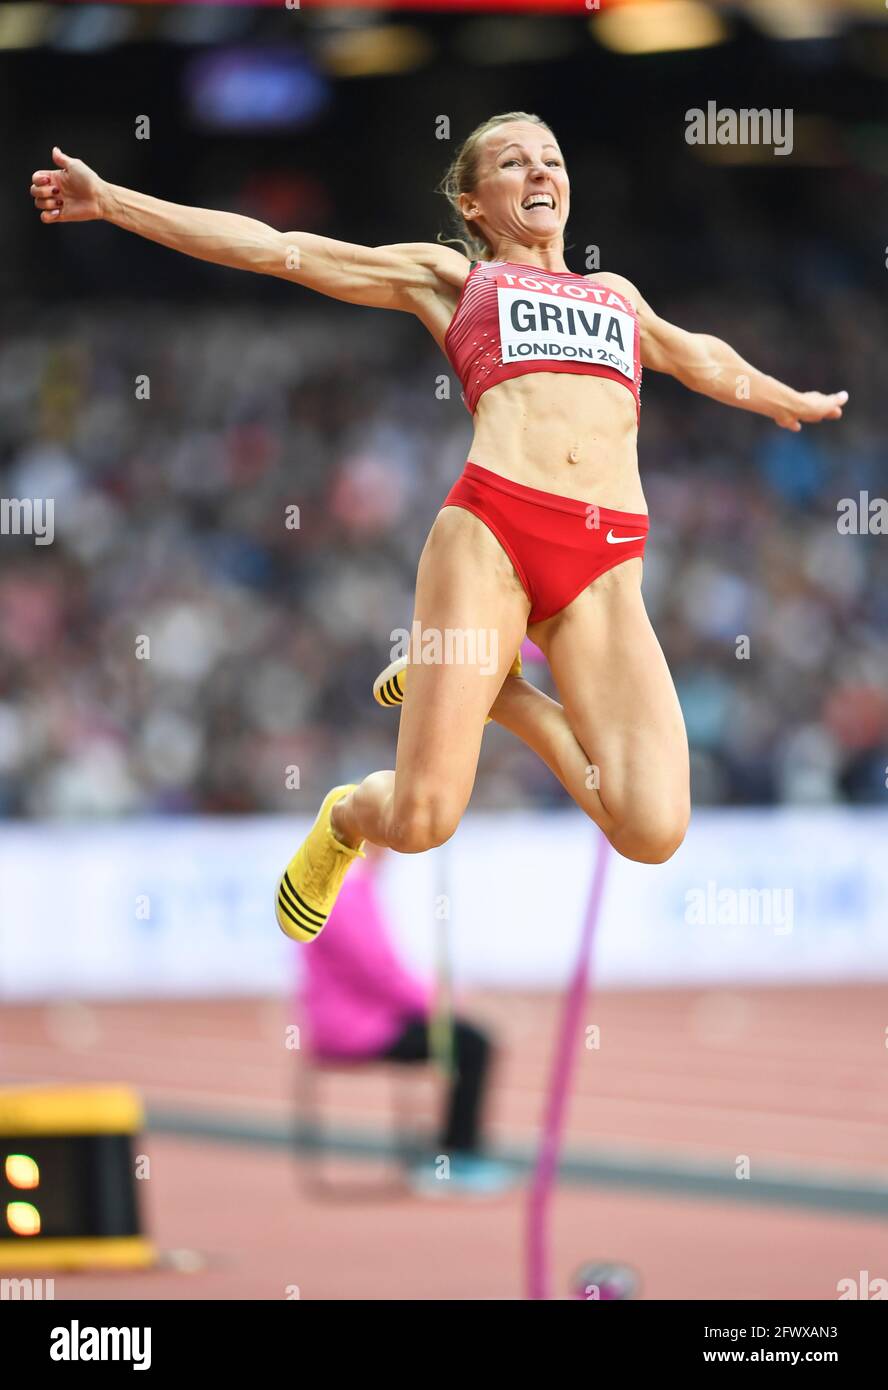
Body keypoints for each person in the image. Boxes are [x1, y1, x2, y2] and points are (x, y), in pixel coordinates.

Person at [30, 112, 847, 946]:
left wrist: (783, 397)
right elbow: (277, 246)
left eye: (552, 160)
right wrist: (117, 202)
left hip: (604, 563)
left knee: (653, 826)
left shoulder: (616, 297)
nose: (539, 173)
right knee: (421, 819)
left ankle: (502, 691)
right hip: (494, 532)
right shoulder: (453, 280)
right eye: (513, 162)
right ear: (474, 202)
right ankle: (347, 817)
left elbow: (697, 354)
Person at [297, 843, 514, 1196]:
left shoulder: (348, 889)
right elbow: (377, 975)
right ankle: (455, 1156)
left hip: (365, 1020)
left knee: (467, 1040)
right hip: (356, 1029)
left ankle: (449, 1152)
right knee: (473, 1043)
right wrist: (442, 1003)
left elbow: (383, 972)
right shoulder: (345, 896)